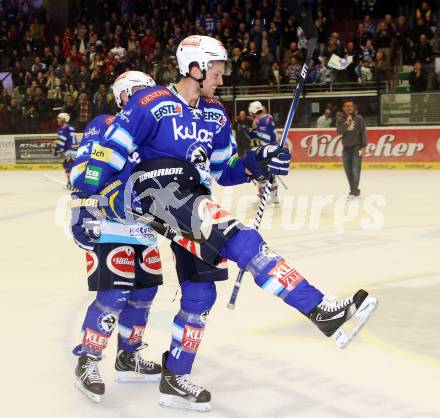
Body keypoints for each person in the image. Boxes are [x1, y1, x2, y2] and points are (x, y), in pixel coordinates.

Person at [78, 35, 377, 412]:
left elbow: (225, 170)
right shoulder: (150, 102)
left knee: (201, 293)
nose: (221, 80)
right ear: (194, 68)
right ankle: (319, 309)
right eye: (216, 73)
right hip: (156, 190)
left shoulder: (215, 115)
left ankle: (174, 378)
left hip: (194, 197)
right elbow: (109, 151)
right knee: (242, 240)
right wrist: (85, 200)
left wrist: (259, 161)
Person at [70, 71, 163, 403]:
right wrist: (81, 208)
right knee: (114, 295)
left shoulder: (153, 133)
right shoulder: (105, 122)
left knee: (145, 293)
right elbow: (85, 166)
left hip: (144, 226)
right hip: (109, 223)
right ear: (122, 95)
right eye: (137, 92)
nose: (144, 98)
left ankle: (129, 355)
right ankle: (88, 360)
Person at [248, 100, 280, 205]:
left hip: (267, 151)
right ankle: (274, 197)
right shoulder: (267, 117)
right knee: (270, 175)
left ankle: (262, 198)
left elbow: (265, 139)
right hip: (273, 149)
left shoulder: (263, 121)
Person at [336, 100, 367, 198]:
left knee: (355, 170)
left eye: (351, 106)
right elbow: (339, 132)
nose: (349, 108)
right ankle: (354, 190)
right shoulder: (340, 120)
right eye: (347, 106)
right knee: (348, 171)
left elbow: (363, 132)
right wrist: (347, 122)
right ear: (344, 108)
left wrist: (364, 146)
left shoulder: (359, 119)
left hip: (356, 147)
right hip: (346, 148)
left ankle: (354, 191)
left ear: (353, 108)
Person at [53, 112, 78, 189]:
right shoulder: (70, 127)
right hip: (74, 150)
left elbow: (62, 140)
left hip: (69, 151)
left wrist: (57, 149)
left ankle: (71, 184)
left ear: (64, 119)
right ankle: (72, 182)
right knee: (71, 166)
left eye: (59, 118)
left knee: (68, 166)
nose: (57, 120)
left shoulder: (64, 128)